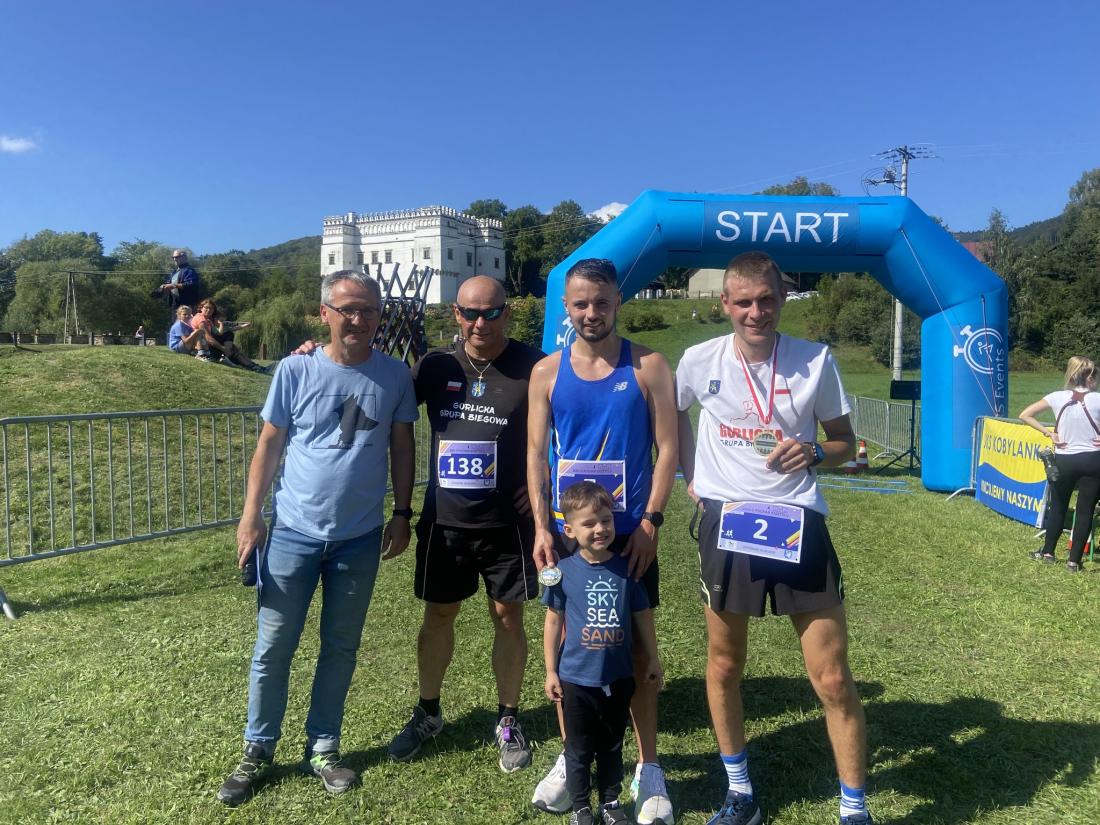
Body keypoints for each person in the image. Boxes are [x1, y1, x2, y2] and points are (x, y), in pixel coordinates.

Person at [675, 251, 871, 825]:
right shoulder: (698, 360)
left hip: (797, 522)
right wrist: (691, 476)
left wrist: (814, 451)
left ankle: (854, 809)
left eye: (766, 300)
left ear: (782, 298)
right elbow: (669, 415)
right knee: (724, 665)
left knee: (832, 675)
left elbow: (845, 442)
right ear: (724, 303)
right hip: (729, 522)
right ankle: (740, 794)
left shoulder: (815, 360)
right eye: (743, 302)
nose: (755, 312)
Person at [215, 269, 417, 807]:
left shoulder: (395, 375)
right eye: (348, 308)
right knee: (273, 647)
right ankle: (258, 748)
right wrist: (251, 515)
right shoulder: (294, 369)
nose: (359, 318)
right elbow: (269, 445)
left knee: (341, 648)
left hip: (359, 537)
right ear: (325, 313)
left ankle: (323, 747)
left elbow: (402, 447)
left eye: (369, 309)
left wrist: (402, 513)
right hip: (293, 533)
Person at [528, 258, 678, 824]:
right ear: (567, 308)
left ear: (618, 302)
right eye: (580, 304)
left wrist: (651, 522)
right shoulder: (547, 371)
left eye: (601, 302)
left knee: (634, 645)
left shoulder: (649, 365)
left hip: (629, 532)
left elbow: (669, 449)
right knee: (571, 641)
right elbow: (534, 455)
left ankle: (648, 766)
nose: (591, 313)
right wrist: (542, 527)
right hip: (568, 535)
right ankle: (573, 759)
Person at [385, 275, 545, 773]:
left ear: (507, 312)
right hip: (446, 521)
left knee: (508, 618)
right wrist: (313, 356)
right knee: (438, 616)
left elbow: (572, 425)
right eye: (470, 313)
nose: (480, 323)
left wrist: (543, 489)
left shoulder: (535, 366)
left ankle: (508, 718)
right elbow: (385, 398)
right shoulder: (435, 365)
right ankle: (428, 712)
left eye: (491, 312)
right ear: (455, 313)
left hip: (508, 524)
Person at [542, 481, 663, 825]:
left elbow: (642, 615)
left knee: (612, 746)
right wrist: (551, 671)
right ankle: (580, 807)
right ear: (569, 530)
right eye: (589, 523)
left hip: (618, 677)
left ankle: (610, 802)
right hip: (576, 680)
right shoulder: (563, 573)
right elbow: (553, 622)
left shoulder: (628, 569)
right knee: (578, 749)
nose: (600, 529)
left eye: (606, 520)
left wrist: (653, 658)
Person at [1019, 355, 1100, 573]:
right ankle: (1074, 562)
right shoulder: (1097, 399)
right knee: (1085, 511)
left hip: (1064, 459)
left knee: (1058, 507)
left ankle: (1048, 553)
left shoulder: (1057, 397)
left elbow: (1025, 414)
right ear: (1091, 377)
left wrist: (1048, 433)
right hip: (1093, 460)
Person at [193, 298, 270, 374]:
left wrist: (242, 325)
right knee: (229, 337)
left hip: (209, 347)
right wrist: (223, 348)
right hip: (206, 349)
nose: (209, 310)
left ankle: (255, 367)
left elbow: (227, 327)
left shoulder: (208, 320)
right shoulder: (201, 320)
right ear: (201, 308)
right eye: (206, 307)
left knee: (234, 349)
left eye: (211, 308)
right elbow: (208, 338)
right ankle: (254, 367)